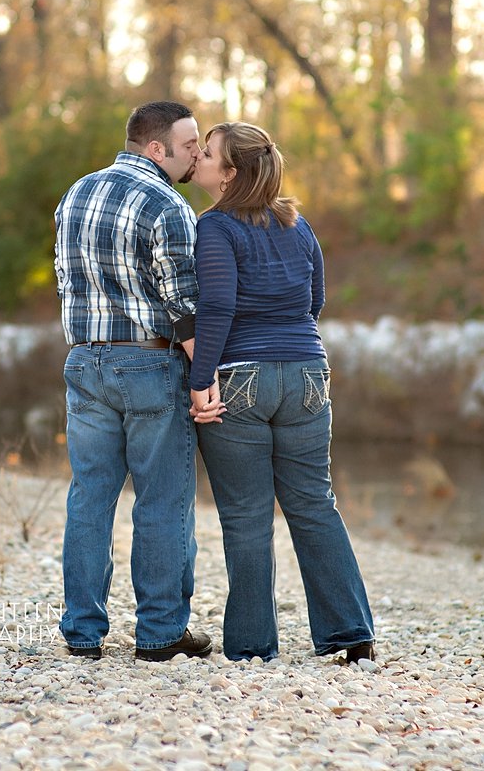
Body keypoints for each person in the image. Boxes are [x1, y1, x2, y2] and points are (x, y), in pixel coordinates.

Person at [188, 121, 376, 664]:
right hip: (307, 374)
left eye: (208, 154)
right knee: (314, 503)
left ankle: (251, 647)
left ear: (228, 176)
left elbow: (218, 308)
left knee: (247, 515)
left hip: (240, 378)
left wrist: (202, 380)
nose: (198, 158)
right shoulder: (298, 225)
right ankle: (351, 633)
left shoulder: (216, 228)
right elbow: (314, 299)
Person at [54, 100, 215, 662]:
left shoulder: (75, 193)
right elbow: (183, 304)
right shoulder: (168, 205)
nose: (198, 152)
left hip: (84, 362)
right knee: (163, 500)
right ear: (156, 148)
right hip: (149, 363)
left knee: (90, 497)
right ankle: (161, 634)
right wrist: (205, 376)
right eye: (190, 143)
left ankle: (81, 632)